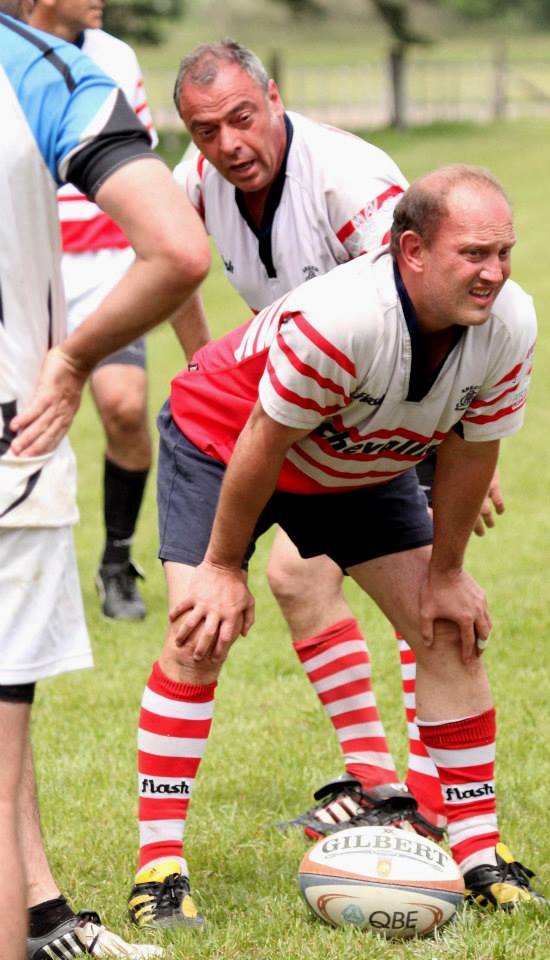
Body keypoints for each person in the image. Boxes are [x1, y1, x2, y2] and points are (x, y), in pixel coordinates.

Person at [126, 163, 550, 930]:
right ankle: (159, 869)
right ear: (411, 251)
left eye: (505, 252)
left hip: (358, 460)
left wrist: (448, 573)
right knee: (200, 630)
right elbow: (262, 445)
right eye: (473, 254)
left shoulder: (510, 323)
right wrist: (224, 568)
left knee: (449, 632)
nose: (494, 273)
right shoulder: (345, 318)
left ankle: (481, 860)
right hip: (225, 437)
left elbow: (470, 448)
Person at [0, 3, 211, 956]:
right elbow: (178, 246)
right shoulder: (45, 73)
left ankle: (41, 913)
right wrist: (70, 358)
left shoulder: (104, 59)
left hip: (82, 295)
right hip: (15, 429)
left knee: (130, 413)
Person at [29, 0, 158, 621]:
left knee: (126, 407)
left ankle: (116, 562)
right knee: (24, 423)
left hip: (108, 265)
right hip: (30, 266)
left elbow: (140, 163)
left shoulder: (116, 57)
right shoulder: (12, 57)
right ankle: (31, 576)